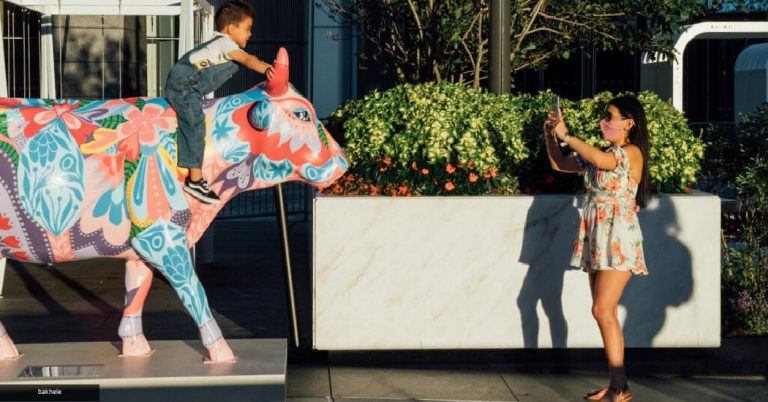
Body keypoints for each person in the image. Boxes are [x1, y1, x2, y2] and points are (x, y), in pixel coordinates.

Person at [543, 96, 651, 402]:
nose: (605, 121)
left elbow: (604, 162)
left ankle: (620, 386)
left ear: (629, 123)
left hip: (617, 236)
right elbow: (560, 163)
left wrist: (567, 135)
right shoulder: (601, 154)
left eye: (611, 116)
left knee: (601, 309)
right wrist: (551, 136)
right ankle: (617, 384)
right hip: (597, 235)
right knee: (605, 311)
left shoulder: (630, 152)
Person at [165, 0, 274, 204]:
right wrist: (269, 70)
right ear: (231, 29)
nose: (250, 34)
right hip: (183, 86)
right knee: (195, 122)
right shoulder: (225, 44)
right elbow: (249, 60)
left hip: (189, 85)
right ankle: (194, 179)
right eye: (247, 28)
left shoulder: (220, 45)